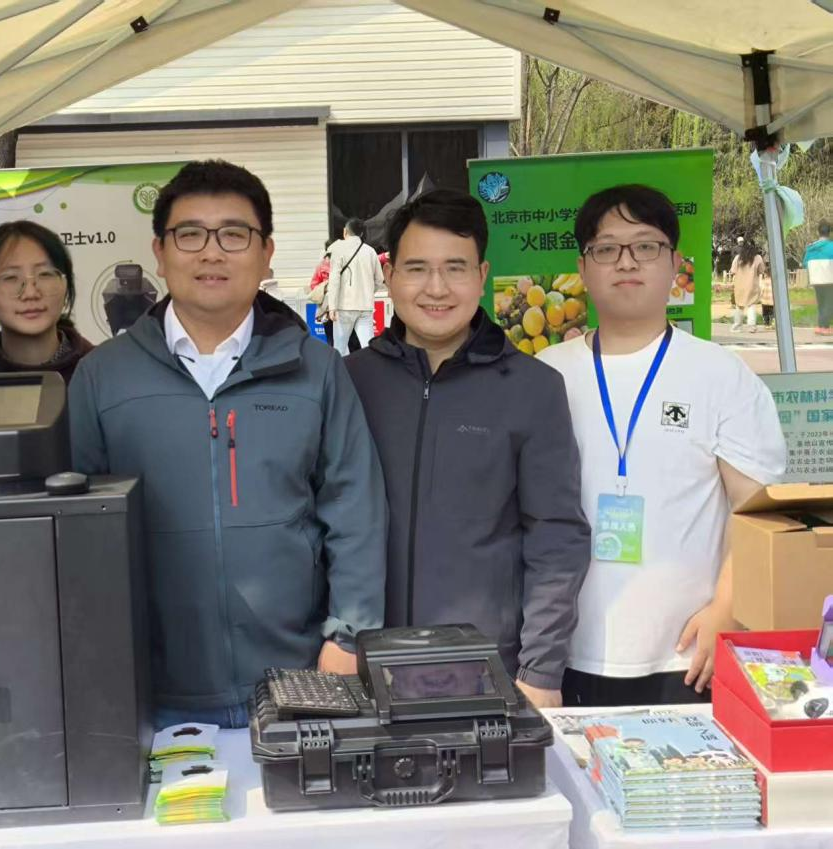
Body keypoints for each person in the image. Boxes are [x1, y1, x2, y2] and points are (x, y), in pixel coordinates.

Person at [68, 160, 387, 728]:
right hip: (151, 692)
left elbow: (354, 508)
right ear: (159, 252)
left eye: (234, 235)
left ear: (266, 254)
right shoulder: (103, 377)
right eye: (190, 234)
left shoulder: (315, 370)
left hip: (300, 679)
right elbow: (79, 535)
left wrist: (348, 636)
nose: (211, 253)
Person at [537, 185, 787, 707]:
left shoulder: (720, 375)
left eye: (646, 246)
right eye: (607, 248)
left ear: (675, 263)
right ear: (583, 268)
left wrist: (726, 608)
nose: (626, 261)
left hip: (688, 656)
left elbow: (757, 510)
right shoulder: (544, 376)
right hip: (559, 656)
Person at [344, 189, 591, 708]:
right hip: (362, 666)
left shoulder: (532, 388)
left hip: (485, 673)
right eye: (417, 268)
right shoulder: (349, 382)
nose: (436, 288)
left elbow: (555, 537)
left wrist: (541, 670)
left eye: (455, 268)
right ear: (389, 275)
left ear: (482, 276)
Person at [0, 220, 94, 382]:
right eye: (11, 278)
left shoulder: (100, 368)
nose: (30, 293)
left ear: (66, 286)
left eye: (45, 274)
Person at [326, 218, 384, 356]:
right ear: (361, 234)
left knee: (340, 348)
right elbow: (379, 279)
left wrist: (332, 306)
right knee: (368, 347)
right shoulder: (370, 252)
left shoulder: (338, 250)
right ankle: (370, 369)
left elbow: (334, 280)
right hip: (365, 307)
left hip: (343, 307)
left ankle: (342, 370)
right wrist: (368, 292)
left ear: (345, 232)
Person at [804, 220, 833, 336]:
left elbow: (805, 263)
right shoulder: (831, 246)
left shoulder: (811, 247)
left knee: (821, 303)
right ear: (829, 232)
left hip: (816, 279)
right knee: (829, 303)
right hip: (829, 278)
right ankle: (824, 327)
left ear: (818, 232)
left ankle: (821, 326)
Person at [729, 238, 764, 333]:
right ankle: (751, 327)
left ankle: (737, 326)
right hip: (752, 285)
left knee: (739, 306)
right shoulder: (758, 258)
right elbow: (761, 270)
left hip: (739, 285)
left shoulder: (738, 258)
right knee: (751, 305)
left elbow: (733, 271)